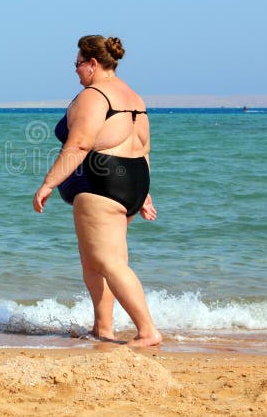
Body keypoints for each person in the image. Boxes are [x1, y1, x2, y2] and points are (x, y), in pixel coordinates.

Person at [33, 34, 162, 347]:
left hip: (101, 185)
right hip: (132, 181)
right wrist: (144, 193)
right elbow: (142, 148)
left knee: (109, 262)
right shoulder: (134, 98)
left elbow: (79, 143)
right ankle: (103, 328)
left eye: (78, 64)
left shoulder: (94, 96)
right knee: (96, 261)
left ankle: (148, 331)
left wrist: (48, 183)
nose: (75, 71)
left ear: (93, 64)